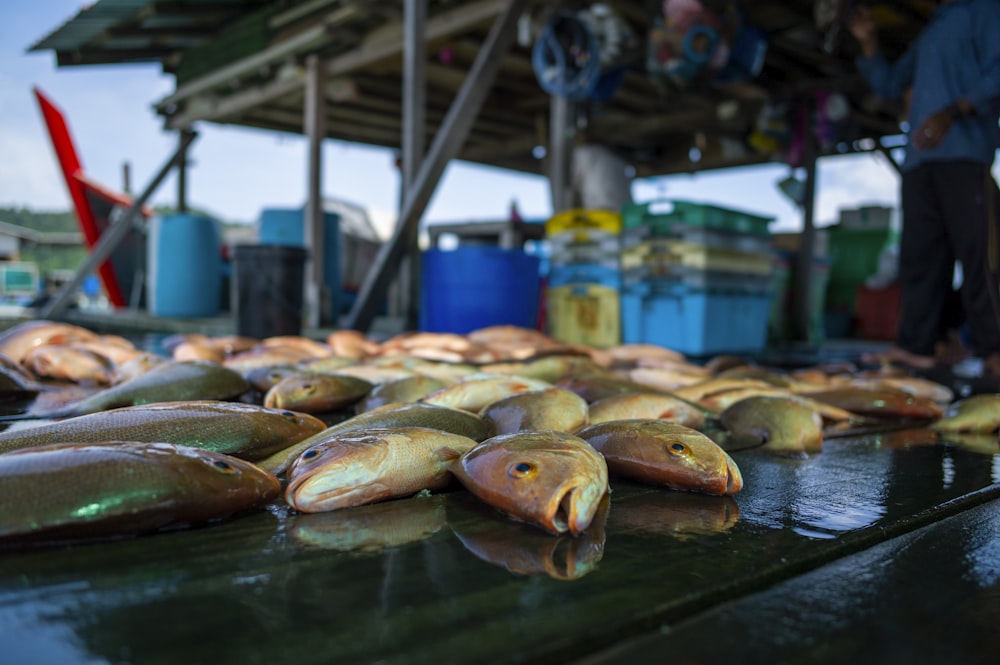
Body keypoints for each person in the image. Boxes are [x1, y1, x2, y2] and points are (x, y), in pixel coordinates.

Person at [848, 0, 1000, 375]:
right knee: (920, 259)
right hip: (918, 162)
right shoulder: (930, 32)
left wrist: (953, 112)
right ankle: (919, 346)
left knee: (982, 253)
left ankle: (994, 348)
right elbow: (887, 85)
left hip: (965, 154)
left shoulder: (984, 11)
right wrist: (868, 42)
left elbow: (997, 73)